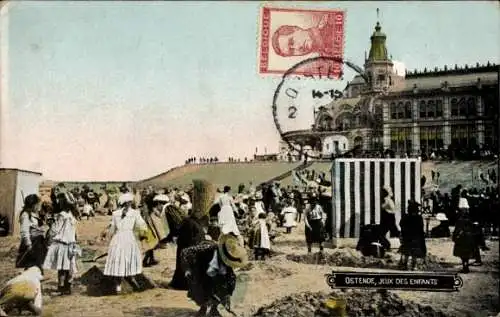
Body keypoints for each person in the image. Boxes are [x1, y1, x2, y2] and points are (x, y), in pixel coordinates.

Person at [181, 233, 248, 317]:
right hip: (202, 267)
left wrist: (228, 294)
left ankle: (214, 309)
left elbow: (230, 278)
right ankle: (203, 308)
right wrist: (187, 269)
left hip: (217, 271)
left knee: (226, 286)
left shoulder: (228, 258)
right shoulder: (208, 248)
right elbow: (185, 252)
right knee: (202, 289)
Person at [102, 193, 149, 293]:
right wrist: (143, 236)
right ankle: (130, 281)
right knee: (127, 259)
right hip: (128, 239)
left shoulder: (116, 213)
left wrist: (107, 240)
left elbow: (112, 229)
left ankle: (119, 285)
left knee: (119, 259)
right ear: (130, 202)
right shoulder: (135, 213)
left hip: (118, 239)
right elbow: (142, 227)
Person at [43, 192, 80, 295]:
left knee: (62, 268)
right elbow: (74, 231)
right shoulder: (72, 215)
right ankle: (68, 286)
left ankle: (61, 287)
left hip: (63, 244)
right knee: (69, 266)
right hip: (71, 243)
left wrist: (48, 236)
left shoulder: (62, 215)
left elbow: (55, 230)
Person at [16, 195, 47, 274]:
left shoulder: (33, 214)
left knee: (36, 266)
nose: (39, 206)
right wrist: (29, 245)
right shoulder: (26, 215)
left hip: (38, 243)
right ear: (33, 204)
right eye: (38, 204)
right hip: (32, 243)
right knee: (32, 267)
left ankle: (33, 284)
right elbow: (24, 232)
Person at [141, 194, 170, 267]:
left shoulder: (149, 209)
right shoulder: (153, 210)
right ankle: (145, 261)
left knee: (151, 245)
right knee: (151, 245)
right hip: (150, 229)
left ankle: (151, 259)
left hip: (148, 228)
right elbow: (156, 220)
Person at [399, 200, 427, 271]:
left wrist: (403, 234)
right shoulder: (418, 218)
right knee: (414, 252)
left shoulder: (405, 217)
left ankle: (404, 264)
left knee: (406, 251)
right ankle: (414, 265)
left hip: (407, 236)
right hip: (416, 237)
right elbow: (421, 228)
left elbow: (401, 225)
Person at [452, 191, 476, 273]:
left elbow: (457, 228)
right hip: (468, 237)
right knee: (466, 253)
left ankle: (465, 265)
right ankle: (466, 265)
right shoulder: (469, 218)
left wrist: (454, 236)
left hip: (462, 237)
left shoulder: (460, 219)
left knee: (462, 253)